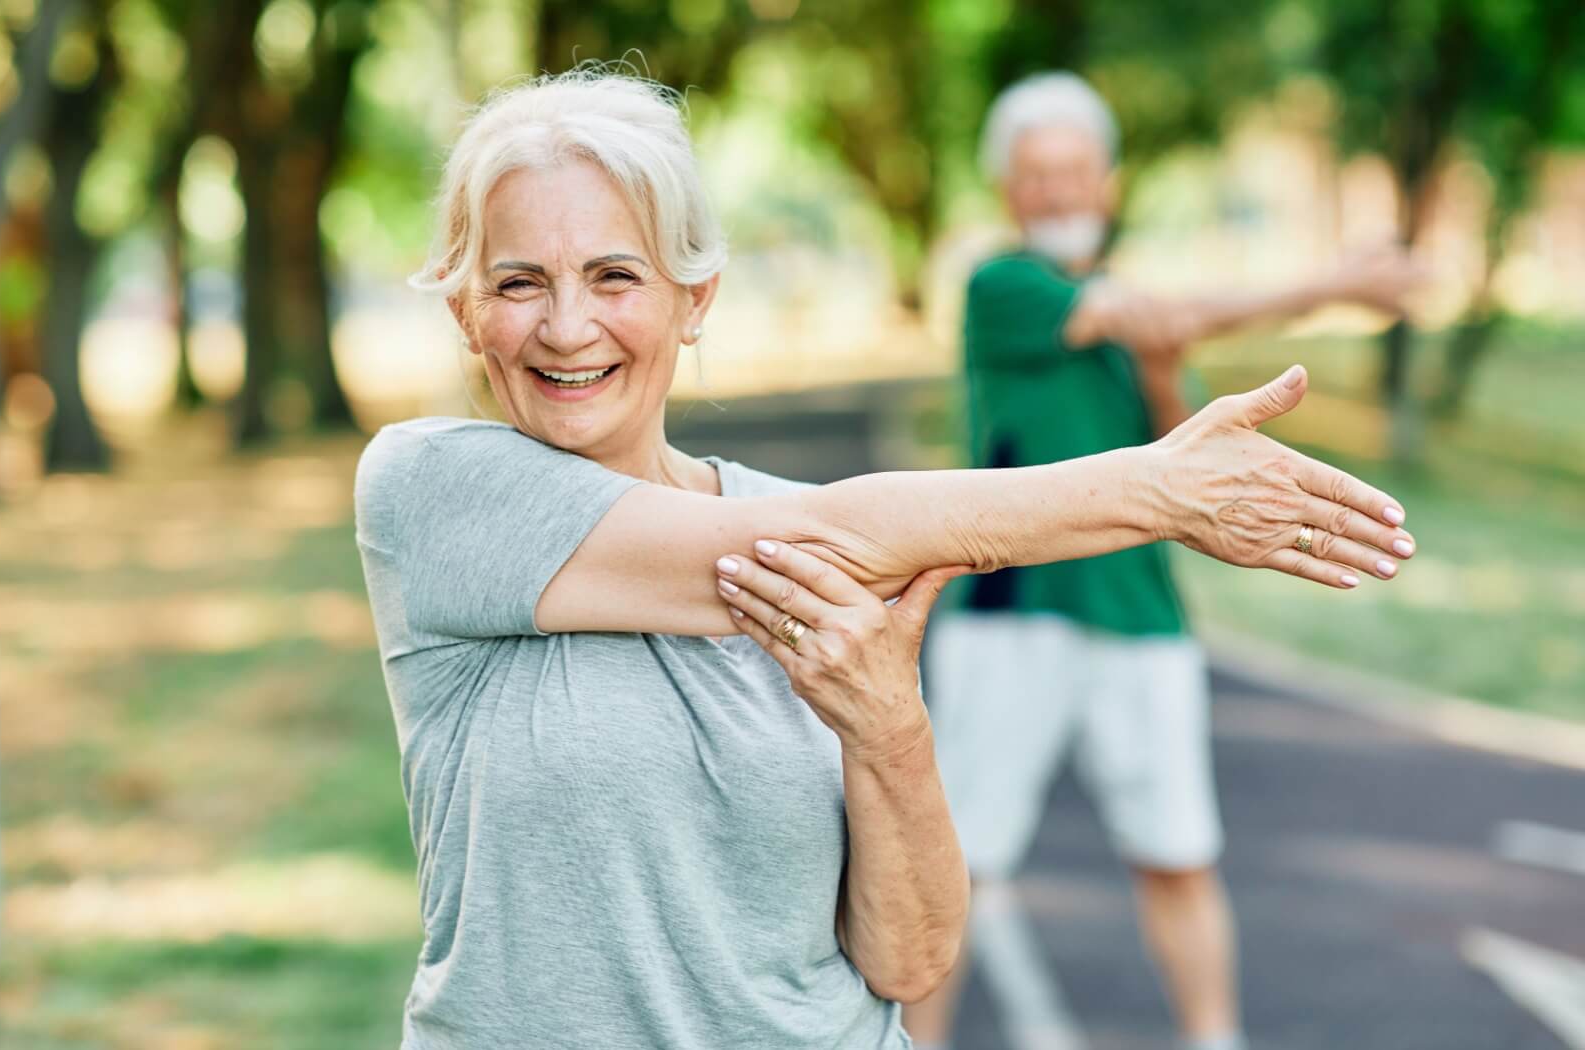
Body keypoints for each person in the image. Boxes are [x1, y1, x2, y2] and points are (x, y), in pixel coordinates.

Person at [352, 67, 1415, 1050]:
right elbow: (822, 541)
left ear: (695, 299)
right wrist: (1154, 490)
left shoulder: (816, 536)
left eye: (615, 275)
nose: (568, 326)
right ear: (466, 312)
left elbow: (904, 959)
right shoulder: (432, 489)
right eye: (521, 283)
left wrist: (890, 730)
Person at [902, 73, 1423, 1050]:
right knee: (958, 867)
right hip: (1012, 617)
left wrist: (1160, 357)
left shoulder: (1145, 317)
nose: (1056, 191)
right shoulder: (1001, 288)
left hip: (1140, 618)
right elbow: (1140, 314)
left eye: (1073, 171)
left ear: (1108, 182)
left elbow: (1183, 445)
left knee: (1178, 859)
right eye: (1035, 174)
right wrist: (1331, 285)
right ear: (1007, 190)